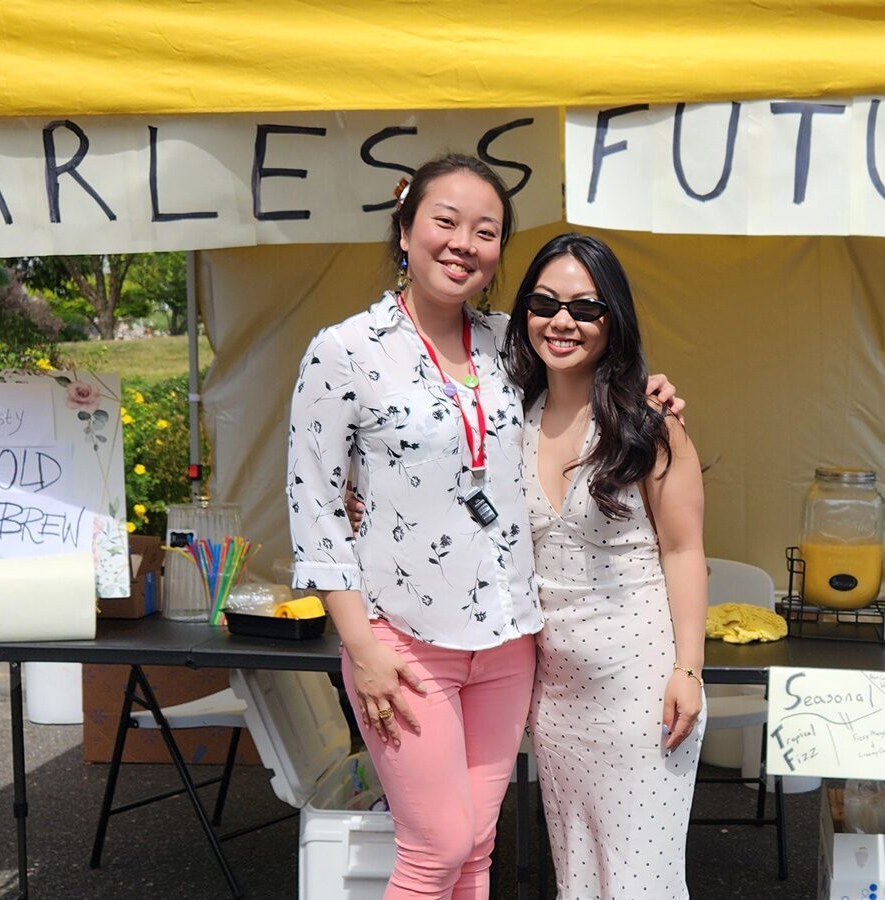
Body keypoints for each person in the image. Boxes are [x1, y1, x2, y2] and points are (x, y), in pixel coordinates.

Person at [287, 155, 679, 900]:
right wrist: (360, 647)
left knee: (476, 849)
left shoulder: (513, 344)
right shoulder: (344, 351)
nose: (464, 242)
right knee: (434, 849)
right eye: (445, 222)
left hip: (508, 643)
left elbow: (594, 371)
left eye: (486, 230)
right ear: (405, 232)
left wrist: (655, 390)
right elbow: (313, 510)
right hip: (403, 644)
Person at [503, 233, 708, 899]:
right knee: (581, 877)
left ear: (613, 319)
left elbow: (684, 550)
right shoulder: (512, 415)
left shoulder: (646, 422)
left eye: (586, 309)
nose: (563, 321)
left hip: (640, 686)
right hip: (556, 695)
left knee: (639, 880)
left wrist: (688, 669)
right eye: (545, 303)